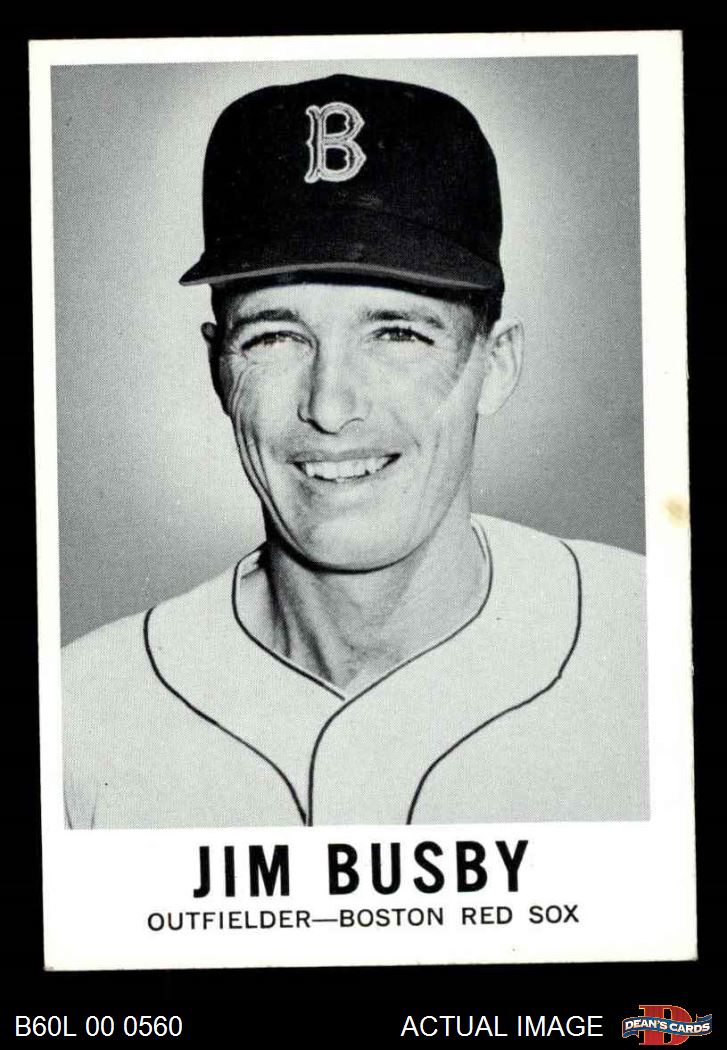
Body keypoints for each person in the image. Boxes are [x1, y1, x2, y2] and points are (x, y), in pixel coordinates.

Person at [62, 73, 648, 829]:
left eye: (397, 333)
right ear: (218, 368)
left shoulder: (653, 647)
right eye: (275, 336)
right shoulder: (81, 715)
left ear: (496, 364)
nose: (330, 407)